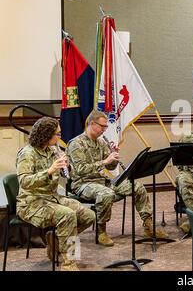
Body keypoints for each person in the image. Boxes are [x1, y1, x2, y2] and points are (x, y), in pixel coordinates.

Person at [67, 110, 168, 247]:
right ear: (92, 123)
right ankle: (101, 231)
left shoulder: (101, 142)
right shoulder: (76, 144)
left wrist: (113, 155)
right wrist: (105, 161)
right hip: (83, 184)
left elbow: (110, 167)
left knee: (137, 186)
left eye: (105, 127)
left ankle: (148, 225)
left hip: (102, 181)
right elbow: (81, 170)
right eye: (102, 126)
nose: (104, 130)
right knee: (106, 194)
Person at [16, 117, 95, 271]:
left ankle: (57, 238)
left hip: (52, 198)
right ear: (46, 135)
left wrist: (67, 166)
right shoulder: (27, 153)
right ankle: (69, 263)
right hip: (31, 203)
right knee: (67, 215)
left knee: (89, 216)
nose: (60, 137)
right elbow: (24, 182)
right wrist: (49, 171)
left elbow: (67, 175)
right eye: (57, 134)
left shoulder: (53, 149)